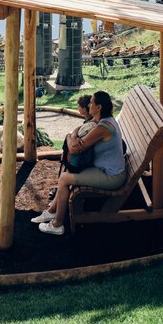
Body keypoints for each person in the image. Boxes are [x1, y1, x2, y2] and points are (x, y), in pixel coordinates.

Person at [37, 91, 127, 235]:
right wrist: (72, 135)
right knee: (67, 174)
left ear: (99, 107)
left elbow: (74, 149)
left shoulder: (102, 127)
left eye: (91, 102)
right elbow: (78, 130)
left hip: (112, 176)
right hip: (105, 169)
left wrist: (68, 137)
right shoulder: (100, 121)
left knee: (64, 178)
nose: (89, 104)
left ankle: (57, 225)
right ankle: (51, 212)